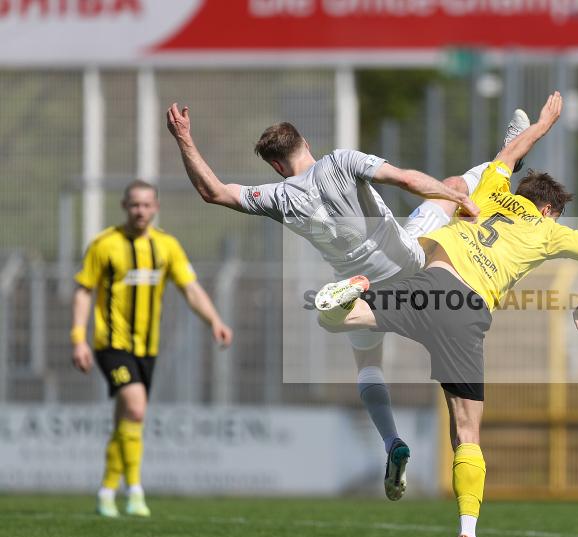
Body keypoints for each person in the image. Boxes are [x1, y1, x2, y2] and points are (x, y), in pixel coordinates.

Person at [314, 92, 578, 537]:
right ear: (549, 212)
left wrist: (541, 124)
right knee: (467, 433)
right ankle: (467, 534)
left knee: (336, 320)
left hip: (429, 285)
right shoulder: (548, 230)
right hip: (467, 313)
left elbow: (509, 154)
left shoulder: (493, 187)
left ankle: (351, 291)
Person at [166, 102, 531, 501]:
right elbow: (406, 179)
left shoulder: (277, 195)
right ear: (305, 143)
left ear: (276, 166)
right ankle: (510, 153)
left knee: (368, 366)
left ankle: (392, 441)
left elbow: (212, 191)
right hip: (409, 263)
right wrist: (454, 198)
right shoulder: (341, 160)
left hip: (362, 293)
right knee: (457, 184)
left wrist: (184, 138)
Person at [71, 180, 233, 518]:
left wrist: (215, 320)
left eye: (146, 205)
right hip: (111, 344)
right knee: (136, 408)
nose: (140, 211)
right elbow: (84, 290)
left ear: (156, 207)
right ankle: (134, 491)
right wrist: (77, 338)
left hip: (147, 347)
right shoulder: (104, 244)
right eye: (134, 205)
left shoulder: (167, 246)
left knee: (126, 419)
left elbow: (190, 289)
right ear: (124, 206)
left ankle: (105, 492)